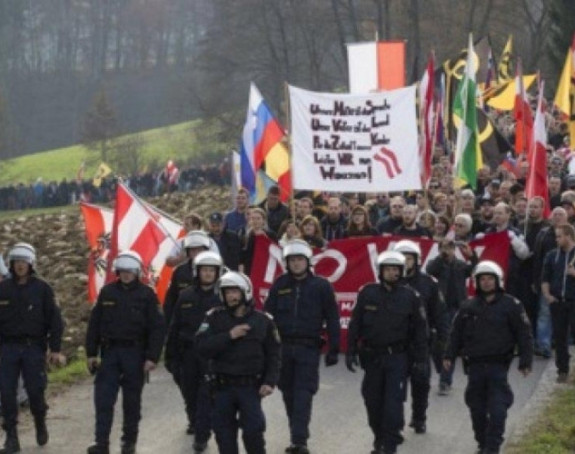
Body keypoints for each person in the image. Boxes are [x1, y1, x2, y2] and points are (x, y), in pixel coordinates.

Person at [443, 261, 533, 454]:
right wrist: (449, 355)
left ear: (497, 281)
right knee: (477, 409)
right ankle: (482, 442)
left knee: (498, 409)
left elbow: (524, 334)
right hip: (474, 367)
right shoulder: (467, 306)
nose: (486, 283)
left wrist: (526, 361)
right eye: (482, 279)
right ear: (476, 281)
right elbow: (455, 333)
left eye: (490, 279)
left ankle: (492, 447)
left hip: (498, 367)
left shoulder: (512, 305)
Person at [346, 251, 428, 454]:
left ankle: (389, 446)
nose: (391, 273)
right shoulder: (367, 292)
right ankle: (379, 438)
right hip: (372, 357)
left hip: (398, 357)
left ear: (401, 271)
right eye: (387, 269)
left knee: (393, 404)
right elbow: (355, 323)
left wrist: (421, 360)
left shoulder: (410, 296)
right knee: (372, 401)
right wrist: (350, 351)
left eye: (395, 269)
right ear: (380, 271)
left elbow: (420, 330)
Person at [85, 251, 166, 454]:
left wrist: (152, 357)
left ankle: (128, 441)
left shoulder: (147, 295)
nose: (127, 275)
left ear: (137, 272)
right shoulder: (107, 292)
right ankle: (101, 443)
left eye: (130, 271)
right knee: (103, 400)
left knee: (131, 402)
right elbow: (94, 324)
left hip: (135, 354)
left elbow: (157, 329)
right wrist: (91, 353)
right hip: (110, 353)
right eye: (123, 271)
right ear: (117, 272)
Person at [264, 239, 340, 453]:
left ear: (308, 261)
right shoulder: (279, 285)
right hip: (283, 348)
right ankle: (296, 432)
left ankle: (299, 440)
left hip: (308, 347)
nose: (296, 264)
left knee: (303, 392)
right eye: (292, 260)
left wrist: (334, 347)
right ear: (286, 263)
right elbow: (268, 318)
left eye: (300, 259)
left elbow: (332, 317)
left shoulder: (321, 286)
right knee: (288, 391)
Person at [196, 271, 281, 454]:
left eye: (234, 292)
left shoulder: (262, 320)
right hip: (221, 387)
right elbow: (201, 346)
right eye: (227, 292)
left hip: (250, 387)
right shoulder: (214, 317)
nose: (231, 296)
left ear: (245, 292)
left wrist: (269, 381)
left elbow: (274, 354)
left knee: (253, 433)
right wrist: (229, 336)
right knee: (224, 436)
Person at [0, 243, 65, 454]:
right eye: (16, 262)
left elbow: (55, 321)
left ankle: (40, 420)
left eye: (24, 262)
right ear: (11, 264)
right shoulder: (3, 289)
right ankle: (11, 437)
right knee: (6, 393)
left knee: (36, 391)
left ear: (31, 264)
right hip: (8, 348)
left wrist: (55, 349)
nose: (20, 266)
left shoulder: (42, 289)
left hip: (33, 348)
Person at [165, 251, 224, 452]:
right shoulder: (186, 295)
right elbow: (175, 325)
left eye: (211, 271)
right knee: (189, 392)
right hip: (188, 353)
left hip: (212, 355)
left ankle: (202, 435)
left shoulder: (223, 295)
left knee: (206, 395)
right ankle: (194, 420)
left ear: (218, 272)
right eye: (204, 270)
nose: (208, 274)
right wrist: (170, 355)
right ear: (197, 272)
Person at [392, 240, 449, 434]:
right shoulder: (388, 283)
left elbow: (440, 313)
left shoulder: (428, 283)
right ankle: (396, 422)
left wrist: (443, 339)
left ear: (416, 260)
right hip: (396, 343)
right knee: (394, 387)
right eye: (402, 258)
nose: (406, 262)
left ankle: (419, 418)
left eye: (409, 258)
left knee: (421, 383)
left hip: (421, 343)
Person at [426, 238, 477, 395]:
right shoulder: (439, 265)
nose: (446, 250)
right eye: (443, 247)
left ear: (454, 249)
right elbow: (429, 269)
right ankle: (444, 375)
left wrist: (472, 256)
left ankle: (446, 379)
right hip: (442, 308)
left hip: (458, 308)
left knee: (452, 343)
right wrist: (441, 256)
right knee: (441, 343)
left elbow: (474, 268)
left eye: (449, 247)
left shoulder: (460, 265)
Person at [541, 223, 575, 383]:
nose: (557, 239)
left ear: (568, 236)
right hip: (558, 302)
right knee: (560, 337)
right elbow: (545, 277)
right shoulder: (552, 255)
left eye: (560, 236)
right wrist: (547, 295)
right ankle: (562, 369)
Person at [164, 230, 212, 326]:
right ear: (187, 251)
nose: (196, 253)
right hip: (184, 323)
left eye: (200, 249)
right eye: (193, 250)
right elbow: (170, 301)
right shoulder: (179, 272)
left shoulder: (218, 270)